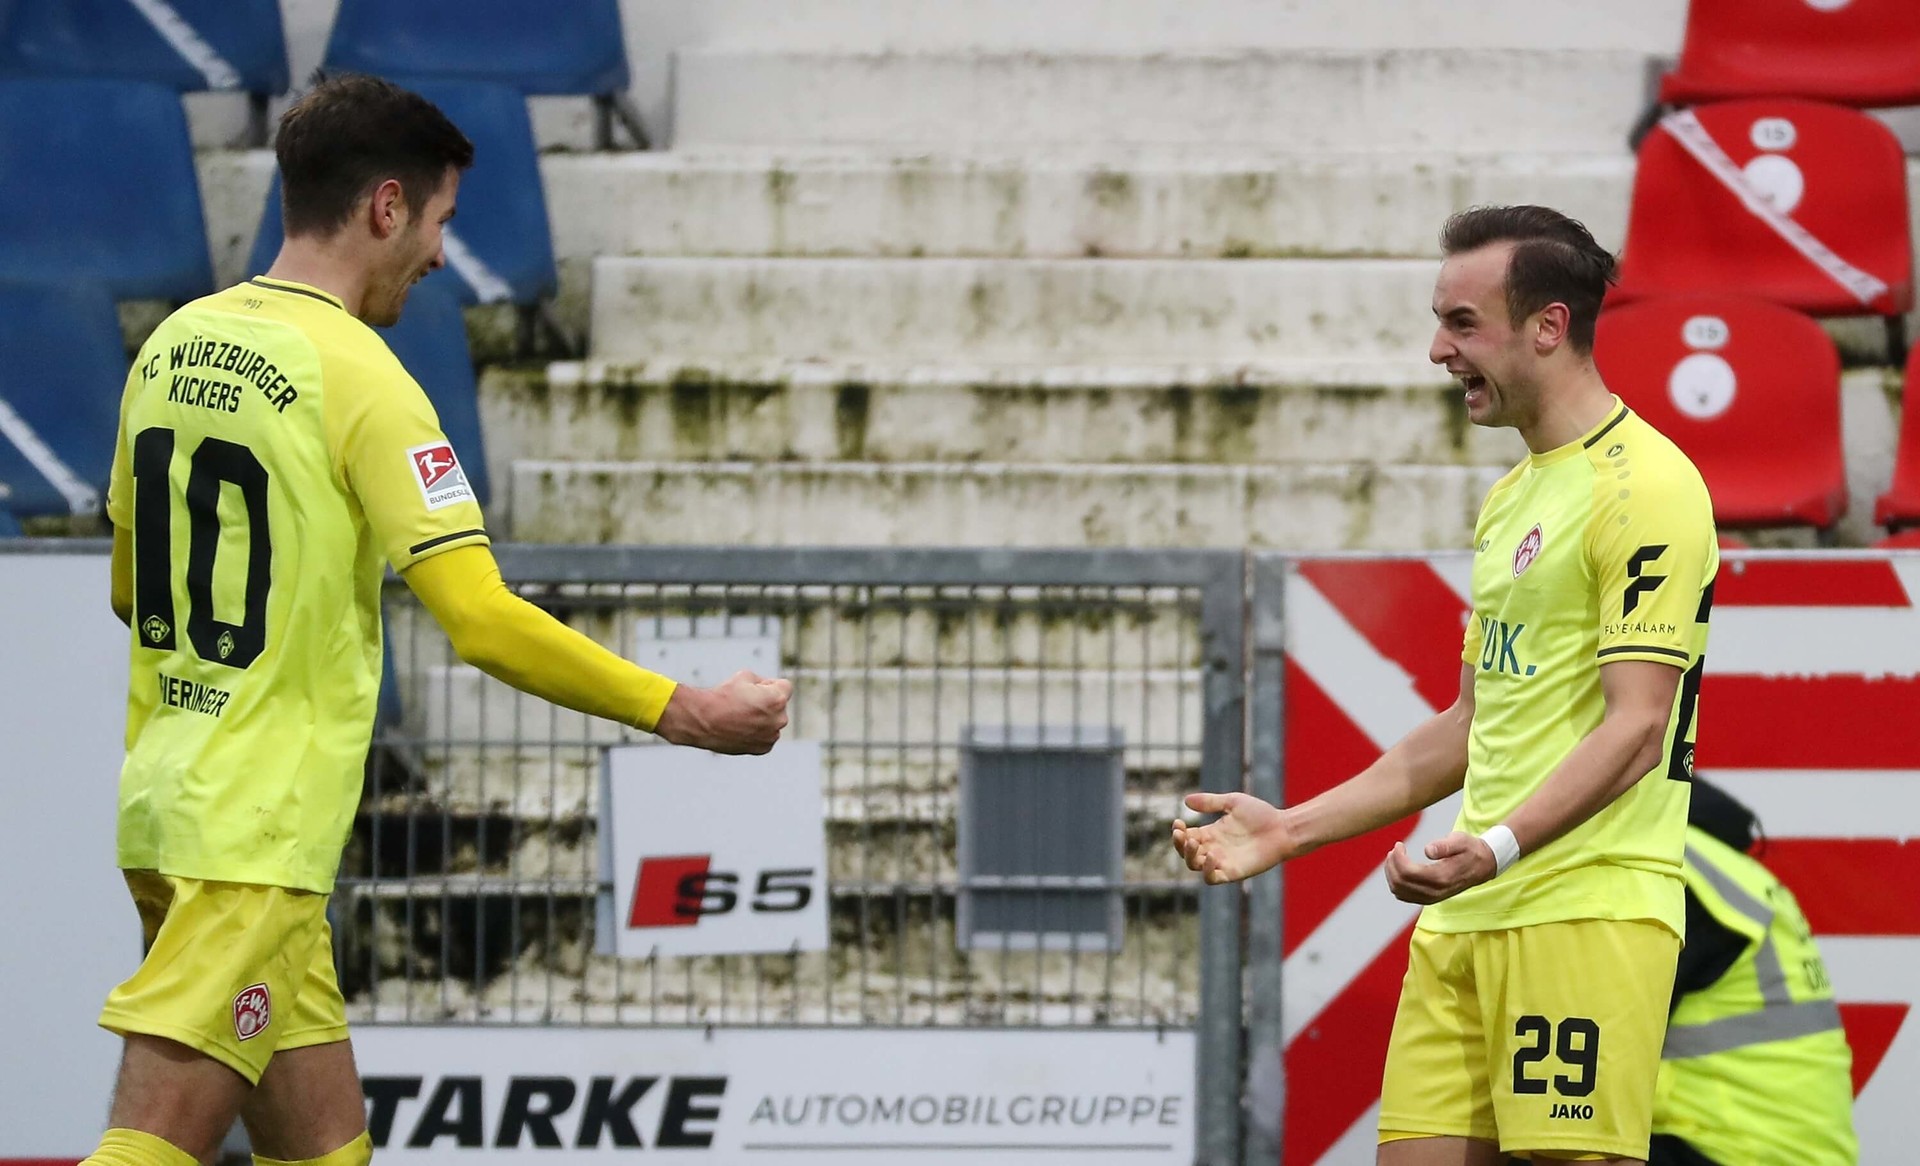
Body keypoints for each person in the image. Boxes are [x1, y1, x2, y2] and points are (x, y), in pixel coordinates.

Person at [81, 75, 793, 1166]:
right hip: (255, 833)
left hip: (169, 802)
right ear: (386, 207)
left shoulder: (173, 345)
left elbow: (132, 589)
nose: (441, 255)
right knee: (146, 1149)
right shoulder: (361, 375)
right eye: (440, 222)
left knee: (327, 1154)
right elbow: (483, 621)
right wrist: (684, 710)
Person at [1174, 204, 1717, 1164]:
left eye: (1462, 323)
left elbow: (1638, 727)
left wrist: (1497, 848)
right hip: (1467, 914)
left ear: (1548, 326)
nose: (1438, 351)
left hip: (1583, 913)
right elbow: (1471, 723)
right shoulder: (1514, 496)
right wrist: (1291, 829)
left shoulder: (1649, 488)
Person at [1648, 779, 1857, 1166]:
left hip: (1724, 1149)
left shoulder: (1662, 867)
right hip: (1770, 1149)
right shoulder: (1715, 864)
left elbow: (1597, 1036)